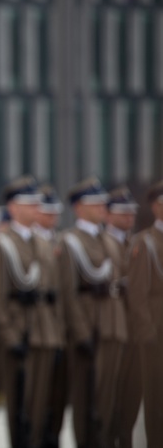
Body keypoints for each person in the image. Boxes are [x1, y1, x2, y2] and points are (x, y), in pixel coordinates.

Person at [0, 176, 63, 448]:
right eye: (28, 205)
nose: (35, 210)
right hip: (19, 334)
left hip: (44, 332)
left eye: (36, 204)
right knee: (21, 410)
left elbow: (54, 294)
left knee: (42, 409)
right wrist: (10, 337)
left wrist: (57, 333)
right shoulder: (2, 244)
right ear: (14, 208)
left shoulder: (43, 243)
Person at [57, 177, 127, 448]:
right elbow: (68, 292)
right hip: (90, 328)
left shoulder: (107, 240)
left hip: (113, 325)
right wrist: (81, 332)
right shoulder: (71, 241)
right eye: (94, 203)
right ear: (78, 208)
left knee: (110, 400)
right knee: (88, 401)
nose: (101, 207)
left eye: (102, 203)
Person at [104, 186, 141, 448]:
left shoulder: (137, 244)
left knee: (131, 393)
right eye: (122, 212)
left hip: (136, 329)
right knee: (108, 394)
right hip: (110, 326)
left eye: (131, 212)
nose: (129, 217)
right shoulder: (101, 242)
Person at [127, 180, 163, 447]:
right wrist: (147, 331)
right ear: (155, 207)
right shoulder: (145, 242)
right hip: (156, 329)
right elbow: (137, 292)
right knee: (156, 397)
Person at [32, 184, 68, 448]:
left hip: (56, 328)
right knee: (33, 399)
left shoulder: (58, 242)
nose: (53, 216)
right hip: (33, 329)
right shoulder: (20, 242)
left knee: (56, 398)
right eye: (47, 211)